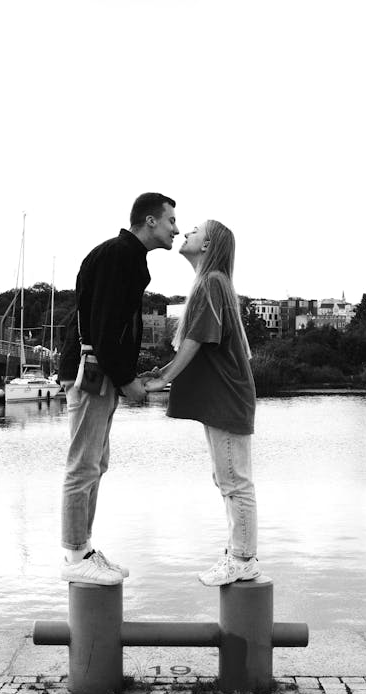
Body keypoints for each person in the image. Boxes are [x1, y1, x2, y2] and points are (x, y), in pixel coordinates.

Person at [58, 193, 179, 585]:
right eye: (170, 221)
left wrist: (125, 374)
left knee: (96, 463)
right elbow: (104, 325)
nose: (176, 229)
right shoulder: (119, 257)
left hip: (96, 371)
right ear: (149, 221)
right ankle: (76, 553)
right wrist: (128, 380)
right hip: (92, 372)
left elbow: (105, 324)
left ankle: (85, 549)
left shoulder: (122, 256)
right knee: (83, 464)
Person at [145, 220, 260, 586]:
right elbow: (199, 342)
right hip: (225, 396)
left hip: (226, 397)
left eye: (193, 231)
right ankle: (237, 555)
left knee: (234, 482)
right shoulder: (213, 284)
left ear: (208, 245)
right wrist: (162, 372)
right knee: (227, 478)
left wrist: (163, 378)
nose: (184, 234)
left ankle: (242, 559)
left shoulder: (212, 283)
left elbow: (196, 339)